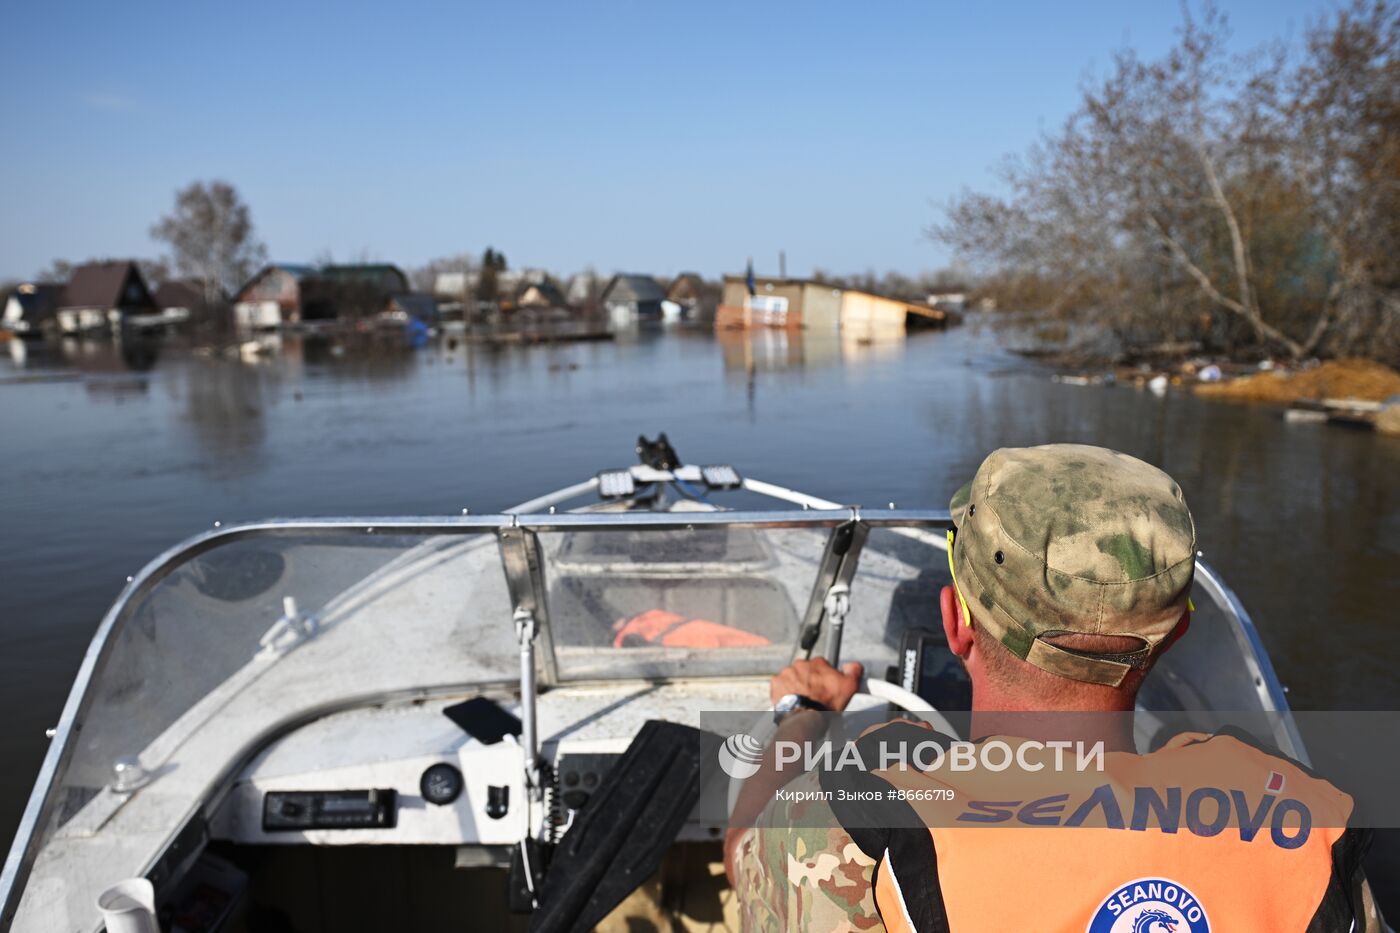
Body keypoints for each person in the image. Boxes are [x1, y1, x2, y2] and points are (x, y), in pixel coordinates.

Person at [726, 444, 1381, 932]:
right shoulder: (1316, 828)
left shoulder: (867, 821)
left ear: (956, 622)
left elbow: (745, 858)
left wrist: (803, 712)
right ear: (1175, 634)